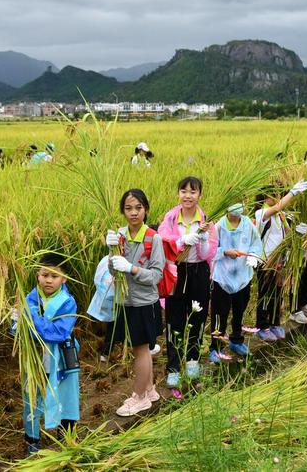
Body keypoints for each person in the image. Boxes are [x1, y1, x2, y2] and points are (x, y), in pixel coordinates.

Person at [105, 189, 165, 416]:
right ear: (123, 211)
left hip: (143, 303)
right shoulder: (119, 235)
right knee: (141, 350)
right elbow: (112, 269)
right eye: (128, 208)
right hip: (125, 301)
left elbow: (156, 276)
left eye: (138, 208)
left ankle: (138, 398)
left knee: (140, 350)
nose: (133, 213)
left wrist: (132, 268)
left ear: (146, 210)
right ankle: (149, 390)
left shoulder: (153, 238)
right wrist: (111, 254)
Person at [157, 176, 217, 388]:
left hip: (199, 271)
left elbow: (209, 253)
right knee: (174, 318)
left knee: (198, 316)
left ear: (200, 195)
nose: (188, 196)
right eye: (184, 191)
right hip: (177, 271)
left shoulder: (207, 221)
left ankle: (192, 359)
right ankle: (173, 367)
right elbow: (163, 244)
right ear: (178, 194)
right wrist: (181, 241)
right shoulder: (171, 218)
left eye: (193, 192)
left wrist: (201, 240)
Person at [22, 253, 79, 454]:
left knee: (67, 396)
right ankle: (32, 443)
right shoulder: (30, 297)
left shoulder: (68, 302)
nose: (48, 280)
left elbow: (56, 333)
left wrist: (31, 319)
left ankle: (67, 442)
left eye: (54, 276)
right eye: (44, 274)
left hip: (62, 358)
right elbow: (18, 329)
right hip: (35, 358)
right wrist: (17, 322)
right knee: (32, 399)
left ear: (64, 279)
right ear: (38, 275)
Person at [253, 180, 307, 340]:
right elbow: (277, 207)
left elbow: (288, 234)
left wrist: (300, 230)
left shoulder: (280, 216)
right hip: (266, 262)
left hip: (280, 261)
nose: (279, 198)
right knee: (265, 294)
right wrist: (293, 192)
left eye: (280, 195)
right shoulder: (261, 213)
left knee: (277, 293)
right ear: (266, 196)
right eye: (276, 195)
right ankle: (262, 326)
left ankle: (275, 323)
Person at [208, 203, 263, 363]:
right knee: (219, 315)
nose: (237, 208)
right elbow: (210, 250)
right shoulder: (218, 226)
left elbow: (256, 243)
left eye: (240, 204)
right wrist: (224, 251)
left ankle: (236, 340)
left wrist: (253, 255)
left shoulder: (248, 224)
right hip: (222, 278)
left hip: (243, 276)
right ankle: (215, 347)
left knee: (240, 310)